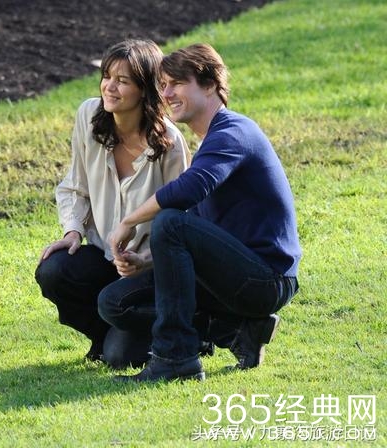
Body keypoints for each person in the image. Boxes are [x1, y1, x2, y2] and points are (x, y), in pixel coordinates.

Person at [108, 43, 301, 382]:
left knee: (170, 222)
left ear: (210, 85)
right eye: (163, 85)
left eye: (177, 83)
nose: (166, 94)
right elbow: (197, 225)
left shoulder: (234, 132)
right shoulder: (209, 144)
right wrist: (147, 261)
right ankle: (237, 330)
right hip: (231, 277)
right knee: (115, 301)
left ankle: (176, 360)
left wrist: (129, 220)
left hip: (267, 279)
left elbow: (189, 190)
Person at [35, 38, 190, 369]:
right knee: (54, 270)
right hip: (104, 256)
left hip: (148, 269)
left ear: (145, 90)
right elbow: (75, 186)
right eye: (107, 76)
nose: (110, 87)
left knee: (121, 358)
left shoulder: (170, 144)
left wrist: (145, 261)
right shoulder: (89, 116)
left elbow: (182, 222)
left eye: (123, 81)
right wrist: (73, 231)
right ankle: (104, 336)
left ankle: (189, 332)